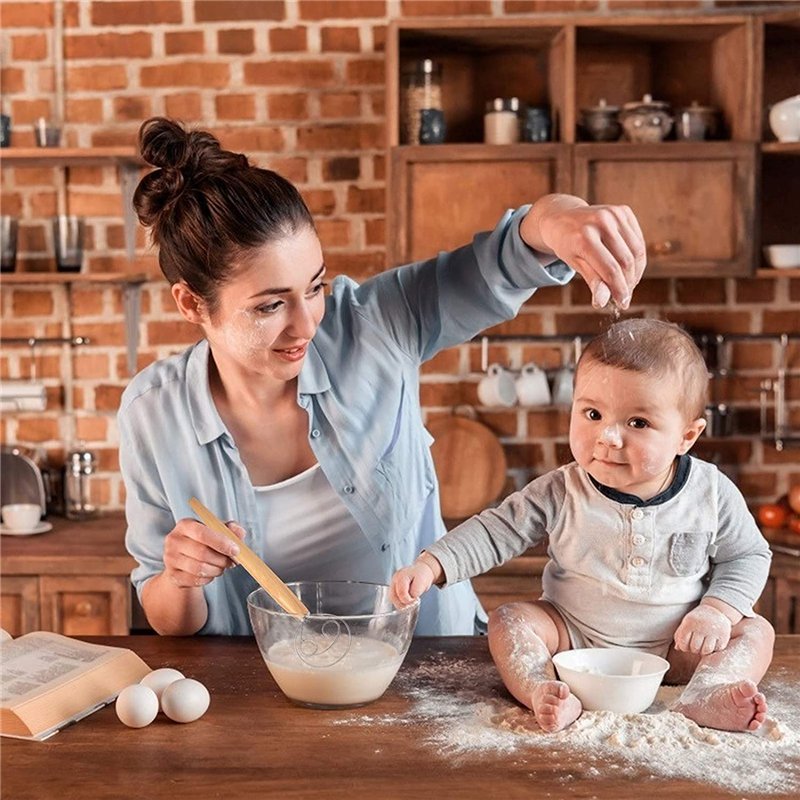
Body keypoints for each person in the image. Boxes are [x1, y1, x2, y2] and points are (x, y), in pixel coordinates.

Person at [119, 116, 647, 638]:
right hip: (270, 687)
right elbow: (169, 619)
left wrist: (562, 217)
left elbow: (503, 262)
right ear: (192, 303)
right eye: (270, 306)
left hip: (427, 660)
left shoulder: (374, 324)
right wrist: (179, 579)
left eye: (314, 287)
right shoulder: (153, 414)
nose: (307, 325)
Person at [391, 318, 775, 732]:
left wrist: (717, 611)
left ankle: (707, 692)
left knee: (755, 632)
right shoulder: (562, 489)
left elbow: (748, 554)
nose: (609, 436)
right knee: (508, 620)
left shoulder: (711, 492)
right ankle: (542, 689)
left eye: (638, 423)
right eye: (593, 414)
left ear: (687, 436)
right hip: (573, 643)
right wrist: (432, 565)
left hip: (679, 646)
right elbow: (495, 530)